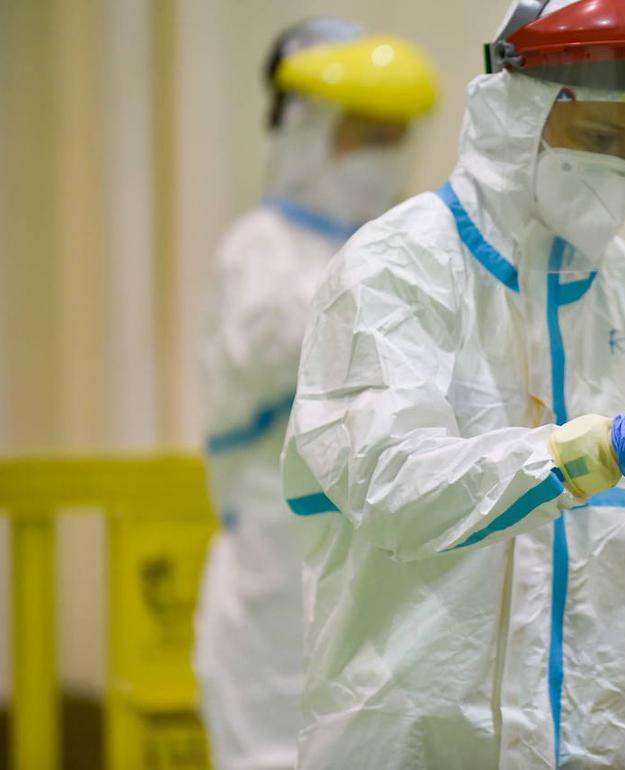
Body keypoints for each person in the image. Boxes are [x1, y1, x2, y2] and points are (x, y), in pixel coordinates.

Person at [280, 1, 625, 767]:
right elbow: (394, 486)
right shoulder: (395, 268)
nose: (623, 170)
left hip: (603, 748)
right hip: (418, 747)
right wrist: (604, 449)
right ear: (518, 114)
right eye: (601, 140)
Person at [193, 17, 438, 770]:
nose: (379, 158)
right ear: (305, 130)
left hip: (379, 565)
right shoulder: (258, 248)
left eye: (394, 137)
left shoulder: (399, 245)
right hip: (275, 560)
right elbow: (287, 348)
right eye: (363, 134)